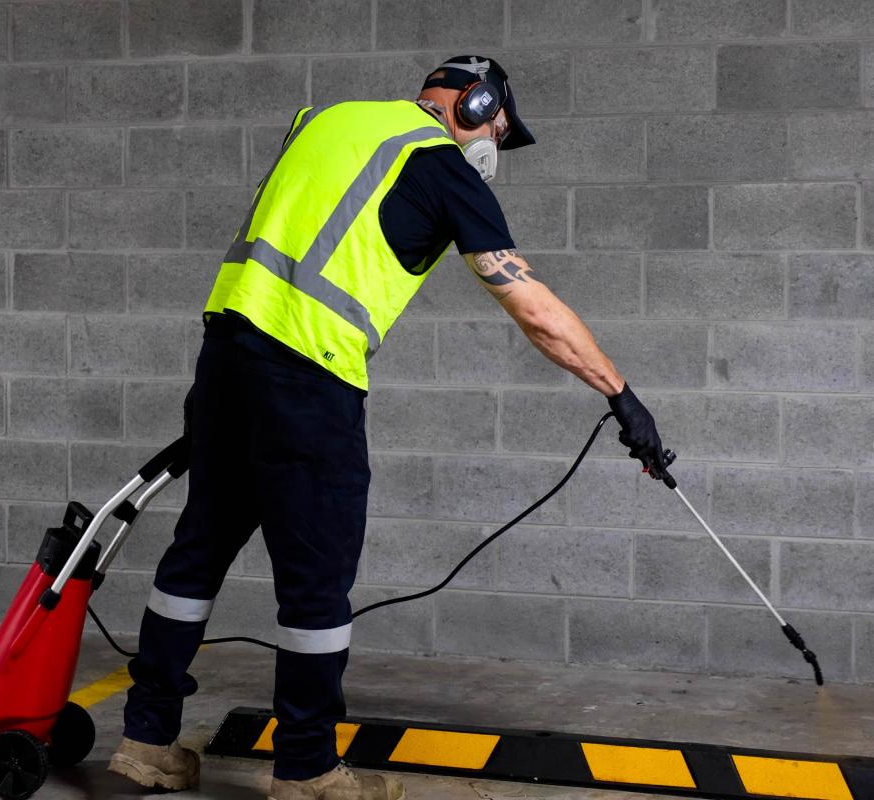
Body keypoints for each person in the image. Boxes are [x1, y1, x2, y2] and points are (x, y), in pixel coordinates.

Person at [107, 55, 669, 800]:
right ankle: (306, 770)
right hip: (311, 373)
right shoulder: (439, 165)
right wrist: (622, 394)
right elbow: (533, 309)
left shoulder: (327, 120)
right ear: (476, 105)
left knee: (197, 553)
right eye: (497, 131)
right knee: (315, 582)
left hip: (225, 357)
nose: (492, 150)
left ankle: (145, 742)